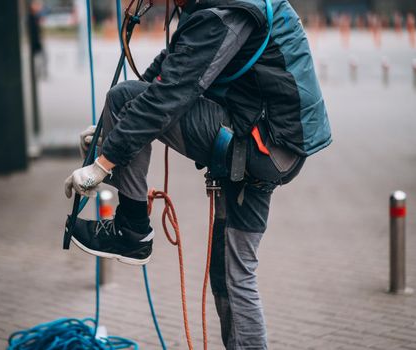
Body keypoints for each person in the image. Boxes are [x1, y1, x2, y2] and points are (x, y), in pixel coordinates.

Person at [64, 0, 331, 348]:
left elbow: (169, 94)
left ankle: (132, 232)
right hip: (270, 145)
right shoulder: (210, 9)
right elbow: (167, 71)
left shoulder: (225, 15)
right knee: (232, 276)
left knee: (123, 97)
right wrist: (113, 130)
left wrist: (104, 161)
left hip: (259, 145)